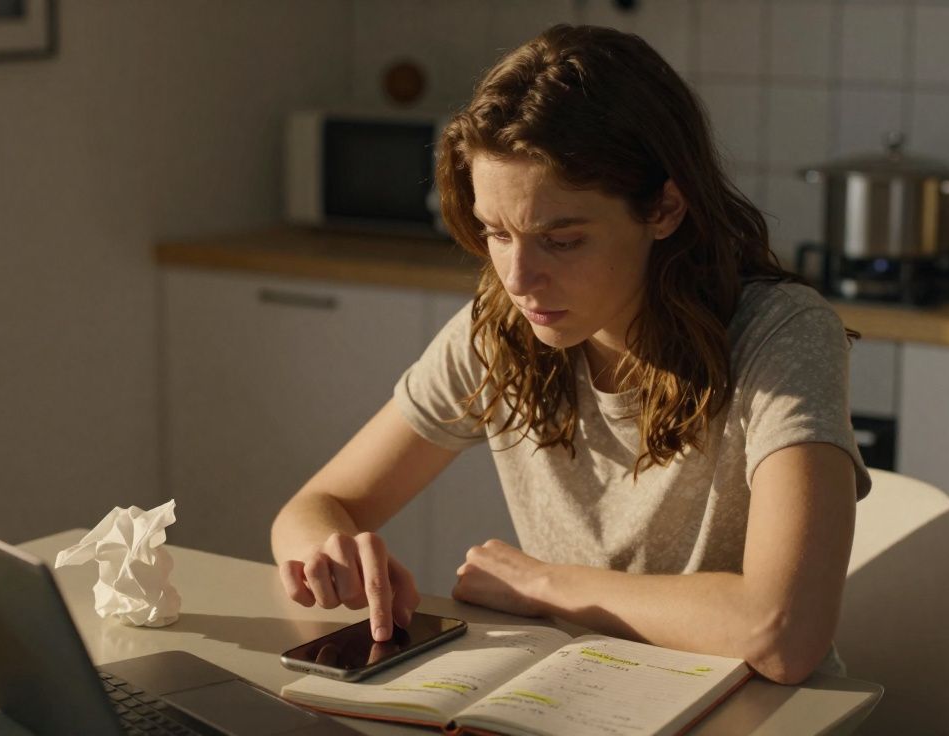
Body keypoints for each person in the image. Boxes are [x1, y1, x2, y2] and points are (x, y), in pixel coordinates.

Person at [272, 24, 875, 685]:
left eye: (561, 241)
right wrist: (324, 547)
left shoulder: (782, 336)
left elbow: (783, 632)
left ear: (665, 208)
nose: (520, 279)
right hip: (590, 699)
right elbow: (318, 504)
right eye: (496, 233)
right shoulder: (503, 330)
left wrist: (546, 584)